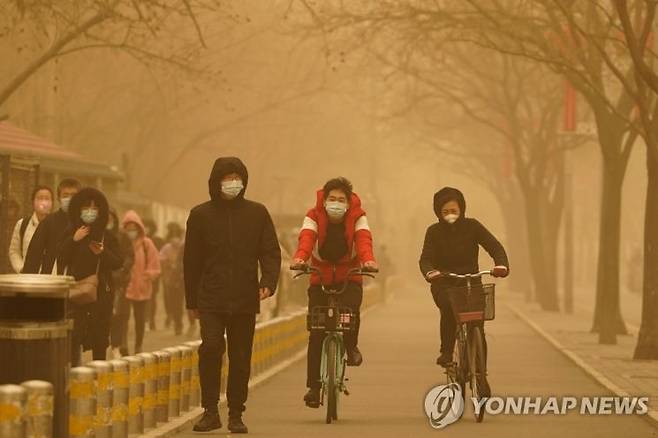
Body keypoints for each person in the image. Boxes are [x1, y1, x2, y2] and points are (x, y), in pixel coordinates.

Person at [184, 156, 281, 433]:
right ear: (216, 182)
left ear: (244, 181)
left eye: (236, 178)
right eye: (226, 178)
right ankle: (210, 410)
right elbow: (191, 261)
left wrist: (268, 282)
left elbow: (270, 251)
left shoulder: (257, 213)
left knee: (240, 357)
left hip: (244, 298)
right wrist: (192, 300)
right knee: (211, 348)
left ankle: (236, 413)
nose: (232, 183)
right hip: (211, 298)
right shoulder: (200, 215)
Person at [290, 177, 378, 408]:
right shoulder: (313, 216)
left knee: (350, 313)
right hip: (320, 278)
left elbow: (364, 241)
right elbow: (306, 240)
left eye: (341, 200)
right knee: (317, 332)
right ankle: (314, 387)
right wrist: (300, 258)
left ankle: (351, 345)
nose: (336, 203)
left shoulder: (358, 217)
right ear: (324, 199)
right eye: (332, 199)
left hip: (350, 278)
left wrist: (368, 261)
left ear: (349, 203)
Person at [418, 187, 509, 386]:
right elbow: (425, 259)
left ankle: (481, 371)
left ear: (462, 209)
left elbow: (495, 246)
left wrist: (501, 264)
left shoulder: (472, 226)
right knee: (449, 309)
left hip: (471, 281)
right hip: (445, 283)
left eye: (454, 210)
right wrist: (430, 272)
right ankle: (447, 352)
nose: (450, 215)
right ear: (438, 213)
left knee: (477, 323)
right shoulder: (433, 232)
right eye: (445, 212)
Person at [58, 188, 124, 365]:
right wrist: (74, 240)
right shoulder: (71, 232)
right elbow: (61, 258)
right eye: (86, 207)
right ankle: (73, 377)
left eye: (95, 208)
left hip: (101, 295)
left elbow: (118, 262)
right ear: (78, 209)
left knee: (99, 339)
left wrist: (102, 253)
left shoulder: (106, 235)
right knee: (74, 337)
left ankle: (98, 379)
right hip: (75, 294)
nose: (90, 211)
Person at [119, 210, 161, 354]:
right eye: (128, 229)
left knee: (139, 319)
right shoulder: (121, 243)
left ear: (139, 229)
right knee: (122, 317)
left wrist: (146, 276)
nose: (131, 232)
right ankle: (123, 344)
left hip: (142, 288)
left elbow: (155, 264)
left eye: (134, 229)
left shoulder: (146, 244)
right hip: (124, 286)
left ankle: (138, 345)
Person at [23, 178, 81, 274]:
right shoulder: (49, 222)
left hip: (80, 278)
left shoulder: (85, 223)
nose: (70, 199)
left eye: (74, 195)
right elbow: (34, 255)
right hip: (52, 277)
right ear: (58, 198)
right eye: (65, 195)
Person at [8, 185, 53, 273]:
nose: (43, 202)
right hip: (28, 278)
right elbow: (14, 251)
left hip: (51, 278)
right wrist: (21, 269)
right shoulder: (22, 224)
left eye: (47, 198)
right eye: (40, 198)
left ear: (52, 203)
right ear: (33, 202)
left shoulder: (58, 225)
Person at [159, 222, 186, 336]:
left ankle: (178, 324)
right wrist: (169, 265)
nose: (175, 240)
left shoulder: (184, 247)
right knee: (171, 302)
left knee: (179, 302)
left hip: (181, 279)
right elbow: (161, 258)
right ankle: (174, 319)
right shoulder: (166, 248)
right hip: (169, 279)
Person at [143, 218, 165, 331]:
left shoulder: (158, 240)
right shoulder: (140, 240)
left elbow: (161, 257)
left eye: (148, 226)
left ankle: (151, 320)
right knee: (144, 299)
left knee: (152, 298)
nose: (146, 229)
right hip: (141, 273)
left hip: (154, 274)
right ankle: (145, 320)